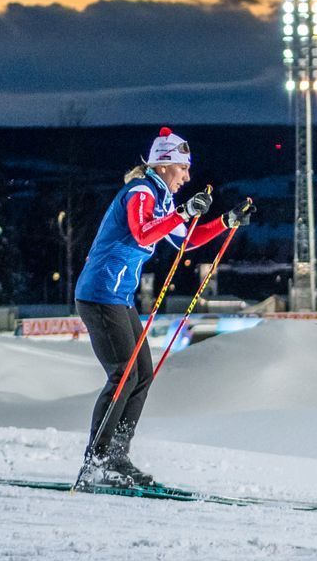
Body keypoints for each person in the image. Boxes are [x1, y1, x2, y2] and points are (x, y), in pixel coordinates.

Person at [72, 128, 251, 490]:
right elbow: (143, 233)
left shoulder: (161, 198)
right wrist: (183, 211)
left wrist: (224, 222)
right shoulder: (140, 192)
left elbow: (185, 242)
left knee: (141, 374)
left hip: (117, 296)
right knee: (123, 375)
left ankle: (116, 457)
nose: (187, 176)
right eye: (183, 168)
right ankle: (98, 461)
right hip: (100, 294)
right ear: (165, 165)